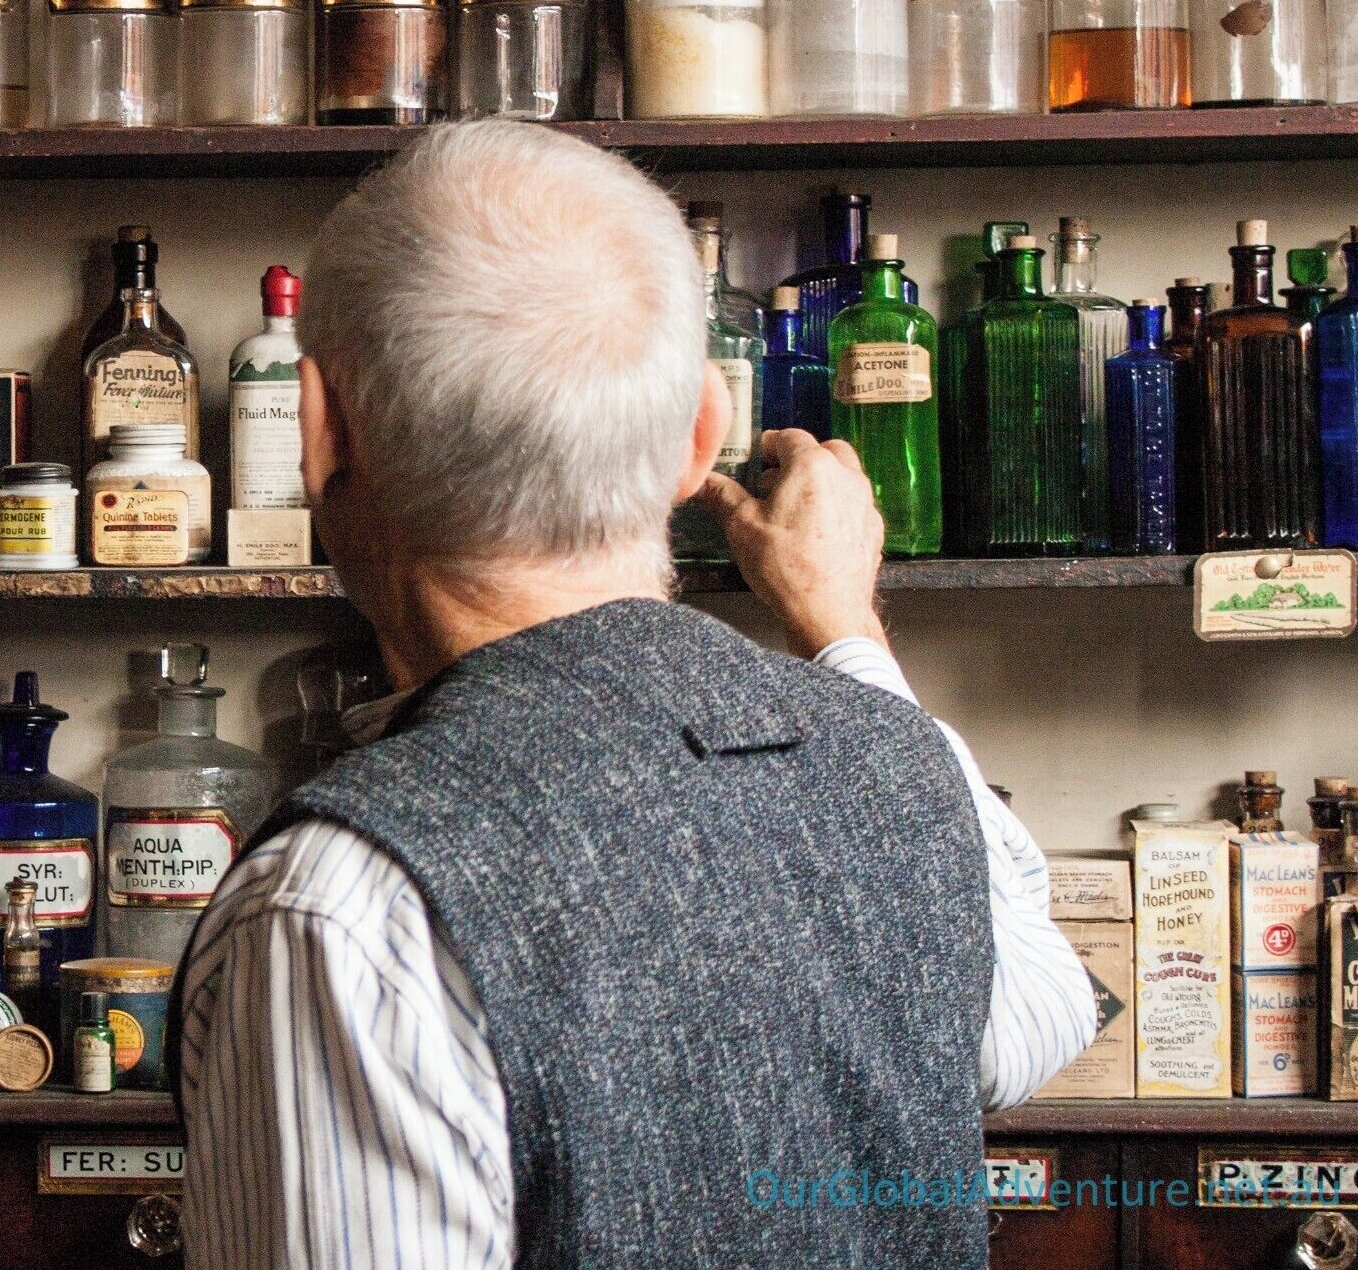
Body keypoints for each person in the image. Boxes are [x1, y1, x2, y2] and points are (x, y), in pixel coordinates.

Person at [177, 121, 1096, 1270]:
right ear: (703, 431)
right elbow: (1042, 1006)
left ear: (317, 432)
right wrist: (844, 628)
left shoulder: (346, 912)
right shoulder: (899, 769)